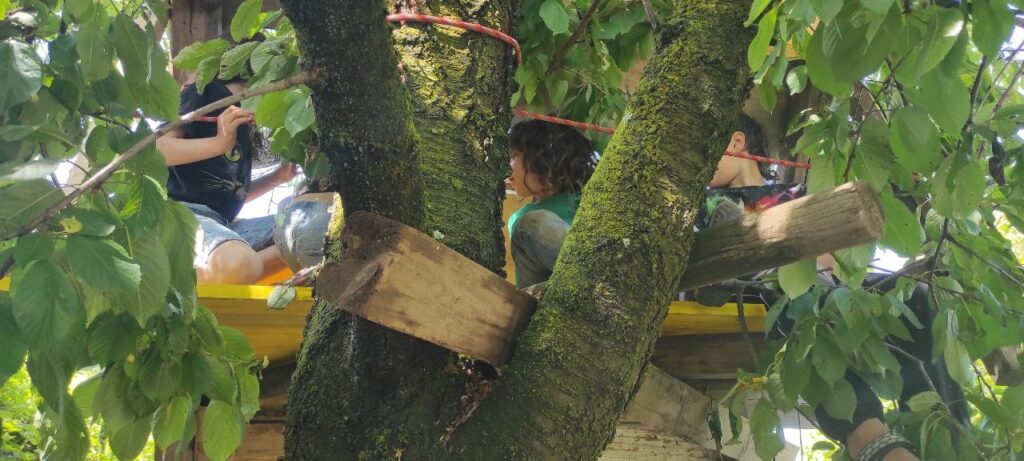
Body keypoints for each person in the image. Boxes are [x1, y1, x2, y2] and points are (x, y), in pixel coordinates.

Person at [156, 78, 297, 284]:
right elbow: (158, 148)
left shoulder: (247, 122)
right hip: (184, 216)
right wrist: (219, 143)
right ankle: (176, 281)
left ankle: (241, 270)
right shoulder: (207, 92)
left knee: (312, 230)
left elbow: (230, 190)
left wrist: (277, 177)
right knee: (236, 263)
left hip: (223, 224)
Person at [505, 120, 597, 289]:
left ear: (541, 158)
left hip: (583, 284)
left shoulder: (588, 200)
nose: (509, 165)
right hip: (544, 297)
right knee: (530, 223)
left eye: (514, 155)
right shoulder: (521, 220)